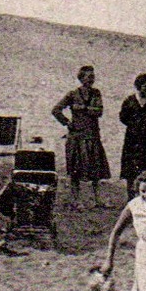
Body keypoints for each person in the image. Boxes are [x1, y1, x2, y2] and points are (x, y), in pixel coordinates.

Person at [51, 65, 111, 209]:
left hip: (92, 136)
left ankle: (97, 199)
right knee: (75, 170)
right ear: (81, 78)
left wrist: (82, 108)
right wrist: (67, 123)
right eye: (88, 77)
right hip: (76, 137)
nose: (91, 80)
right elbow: (56, 110)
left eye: (93, 77)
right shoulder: (72, 94)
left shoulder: (96, 93)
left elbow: (99, 111)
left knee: (96, 169)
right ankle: (76, 200)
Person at [118, 73, 146, 197]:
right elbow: (123, 118)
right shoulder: (129, 101)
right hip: (132, 140)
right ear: (138, 86)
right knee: (131, 170)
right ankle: (131, 197)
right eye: (145, 86)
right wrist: (135, 126)